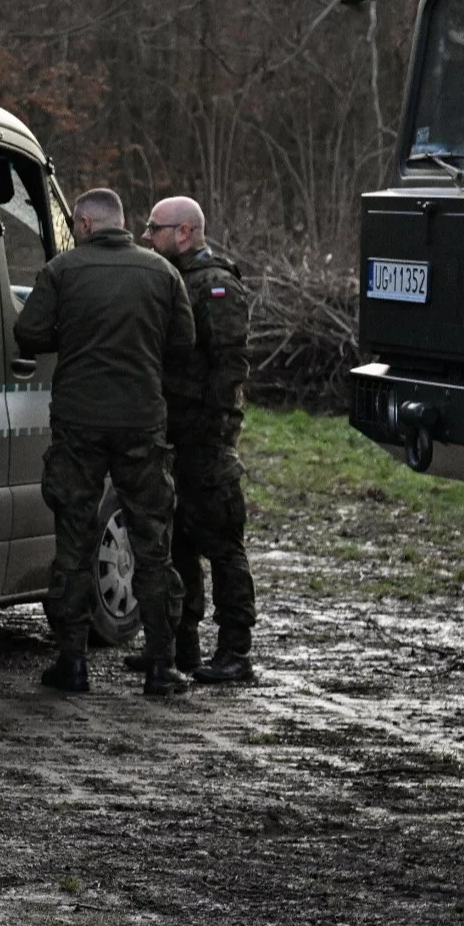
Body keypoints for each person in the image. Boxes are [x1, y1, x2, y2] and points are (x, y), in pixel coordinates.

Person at [13, 186, 197, 697]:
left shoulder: (62, 272)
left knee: (73, 541)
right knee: (152, 544)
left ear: (86, 224)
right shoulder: (163, 273)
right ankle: (162, 666)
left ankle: (72, 665)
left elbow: (27, 333)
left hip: (78, 423)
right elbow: (184, 344)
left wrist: (71, 336)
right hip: (141, 422)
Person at [140, 196, 256, 684]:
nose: (147, 236)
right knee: (178, 542)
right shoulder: (175, 279)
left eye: (155, 228)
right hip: (175, 433)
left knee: (222, 544)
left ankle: (234, 652)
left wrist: (211, 430)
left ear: (184, 233)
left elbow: (227, 367)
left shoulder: (214, 286)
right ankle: (181, 646)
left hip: (203, 440)